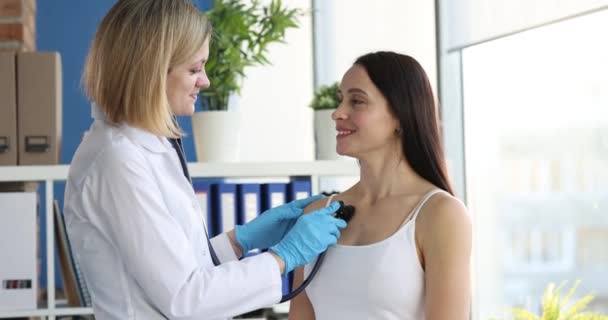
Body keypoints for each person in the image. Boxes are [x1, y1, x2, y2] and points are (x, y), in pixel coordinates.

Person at [63, 1, 347, 319]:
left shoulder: (146, 146)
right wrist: (284, 256)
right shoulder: (117, 159)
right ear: (152, 69)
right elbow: (186, 298)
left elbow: (179, 268)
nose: (206, 81)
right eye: (195, 69)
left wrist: (240, 240)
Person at [289, 52, 472, 320]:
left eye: (357, 101)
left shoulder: (440, 214)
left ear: (400, 114)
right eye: (341, 100)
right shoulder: (317, 214)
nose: (338, 113)